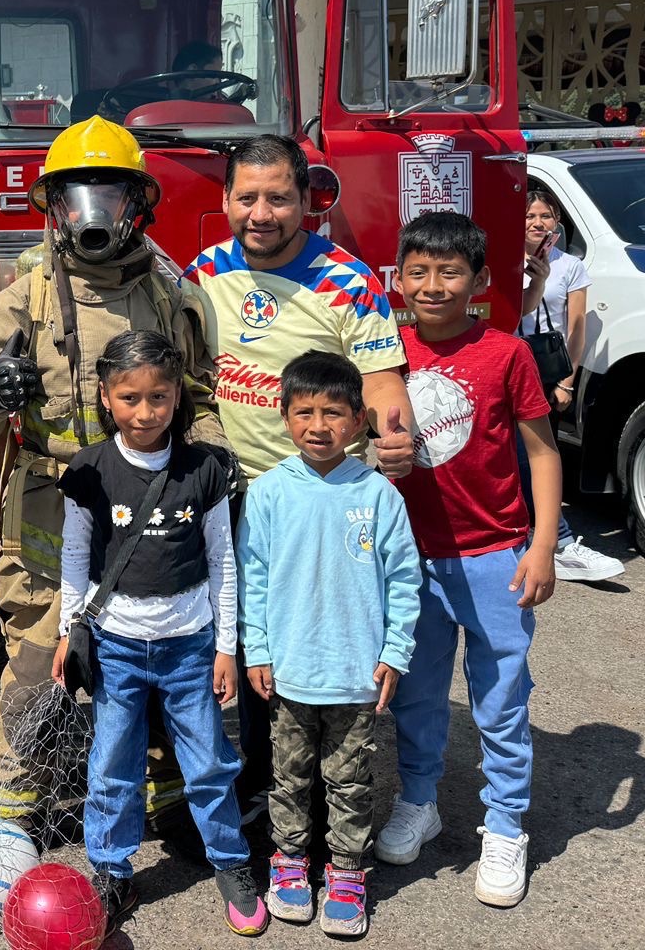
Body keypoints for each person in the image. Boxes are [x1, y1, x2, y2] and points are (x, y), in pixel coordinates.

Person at [0, 115, 229, 841]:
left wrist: (215, 466)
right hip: (49, 518)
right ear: (53, 208)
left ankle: (166, 798)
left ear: (139, 205)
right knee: (41, 665)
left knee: (163, 656)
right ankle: (8, 813)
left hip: (155, 515)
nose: (92, 215)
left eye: (110, 195)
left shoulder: (173, 298)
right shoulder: (23, 299)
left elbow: (202, 394)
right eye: (76, 197)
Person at [181, 135, 415, 813]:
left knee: (305, 635)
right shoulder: (201, 274)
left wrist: (393, 434)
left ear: (307, 202)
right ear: (225, 200)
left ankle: (316, 788)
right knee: (242, 639)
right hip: (229, 492)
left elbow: (382, 381)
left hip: (311, 496)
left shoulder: (347, 279)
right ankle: (261, 784)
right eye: (247, 197)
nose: (262, 212)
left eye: (279, 198)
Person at [51, 331, 265, 935]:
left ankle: (231, 861)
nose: (145, 412)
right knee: (112, 766)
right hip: (115, 647)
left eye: (159, 397)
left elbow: (224, 560)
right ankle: (111, 870)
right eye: (129, 397)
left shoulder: (206, 469)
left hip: (190, 647)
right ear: (105, 395)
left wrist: (226, 646)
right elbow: (73, 556)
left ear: (178, 397)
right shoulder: (88, 470)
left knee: (208, 764)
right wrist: (71, 631)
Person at [379, 212, 560, 909]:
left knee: (501, 698)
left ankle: (506, 822)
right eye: (418, 271)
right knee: (416, 693)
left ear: (481, 281)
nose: (433, 285)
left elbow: (542, 453)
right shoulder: (387, 355)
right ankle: (418, 800)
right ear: (399, 280)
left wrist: (542, 544)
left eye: (449, 272)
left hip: (495, 556)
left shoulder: (506, 353)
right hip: (410, 563)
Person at [238, 350, 422, 938]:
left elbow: (404, 580)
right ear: (284, 416)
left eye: (335, 413)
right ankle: (289, 865)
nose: (319, 426)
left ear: (360, 420)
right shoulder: (268, 493)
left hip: (354, 675)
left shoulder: (378, 495)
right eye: (304, 413)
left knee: (351, 779)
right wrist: (258, 649)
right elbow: (254, 575)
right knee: (287, 776)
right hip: (290, 672)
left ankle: (347, 873)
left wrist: (395, 651)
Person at [517, 188, 623, 582]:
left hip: (546, 371)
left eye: (546, 215)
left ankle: (554, 540)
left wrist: (567, 381)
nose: (537, 222)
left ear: (557, 224)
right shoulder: (501, 260)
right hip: (511, 364)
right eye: (530, 215)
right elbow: (516, 311)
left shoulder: (571, 266)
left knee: (537, 453)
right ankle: (554, 540)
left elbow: (574, 329)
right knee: (523, 455)